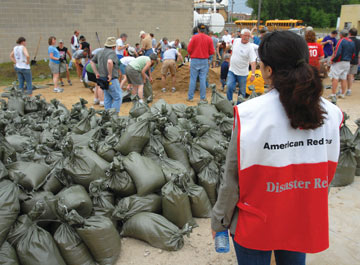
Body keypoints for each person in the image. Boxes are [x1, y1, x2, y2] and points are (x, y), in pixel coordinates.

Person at [211, 30, 343, 265]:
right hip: (301, 217)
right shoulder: (332, 113)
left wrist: (219, 220)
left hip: (256, 222)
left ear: (268, 70)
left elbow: (232, 178)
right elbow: (328, 173)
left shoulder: (249, 114)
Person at [91, 37, 122, 112]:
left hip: (102, 79)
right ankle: (113, 116)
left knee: (107, 98)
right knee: (118, 97)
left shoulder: (99, 52)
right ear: (113, 47)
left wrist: (96, 73)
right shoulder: (112, 53)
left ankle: (107, 116)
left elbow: (92, 62)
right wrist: (110, 74)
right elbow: (109, 62)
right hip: (111, 80)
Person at [226, 29, 256, 102]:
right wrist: (230, 63)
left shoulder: (250, 47)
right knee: (229, 86)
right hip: (232, 70)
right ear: (241, 35)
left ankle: (239, 105)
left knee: (242, 91)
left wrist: (253, 73)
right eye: (245, 35)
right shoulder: (236, 41)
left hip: (242, 73)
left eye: (248, 36)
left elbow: (253, 61)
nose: (246, 37)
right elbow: (232, 52)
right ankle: (229, 102)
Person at [187, 24, 214, 102]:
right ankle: (202, 97)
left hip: (195, 60)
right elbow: (212, 51)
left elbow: (189, 49)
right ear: (204, 30)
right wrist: (207, 55)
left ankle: (190, 97)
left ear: (198, 30)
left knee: (193, 79)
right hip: (204, 60)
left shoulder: (194, 37)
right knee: (202, 79)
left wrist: (192, 54)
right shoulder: (209, 39)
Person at [328, 29, 355, 99]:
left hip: (340, 61)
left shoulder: (341, 41)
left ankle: (333, 94)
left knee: (335, 77)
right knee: (343, 78)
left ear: (341, 35)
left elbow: (338, 52)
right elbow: (354, 54)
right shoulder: (352, 42)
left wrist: (333, 60)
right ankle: (342, 93)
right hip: (348, 62)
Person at [347, 28, 360, 96]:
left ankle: (342, 89)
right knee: (351, 75)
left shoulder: (347, 40)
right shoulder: (358, 41)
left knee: (345, 75)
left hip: (347, 59)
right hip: (355, 60)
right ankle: (349, 89)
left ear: (349, 33)